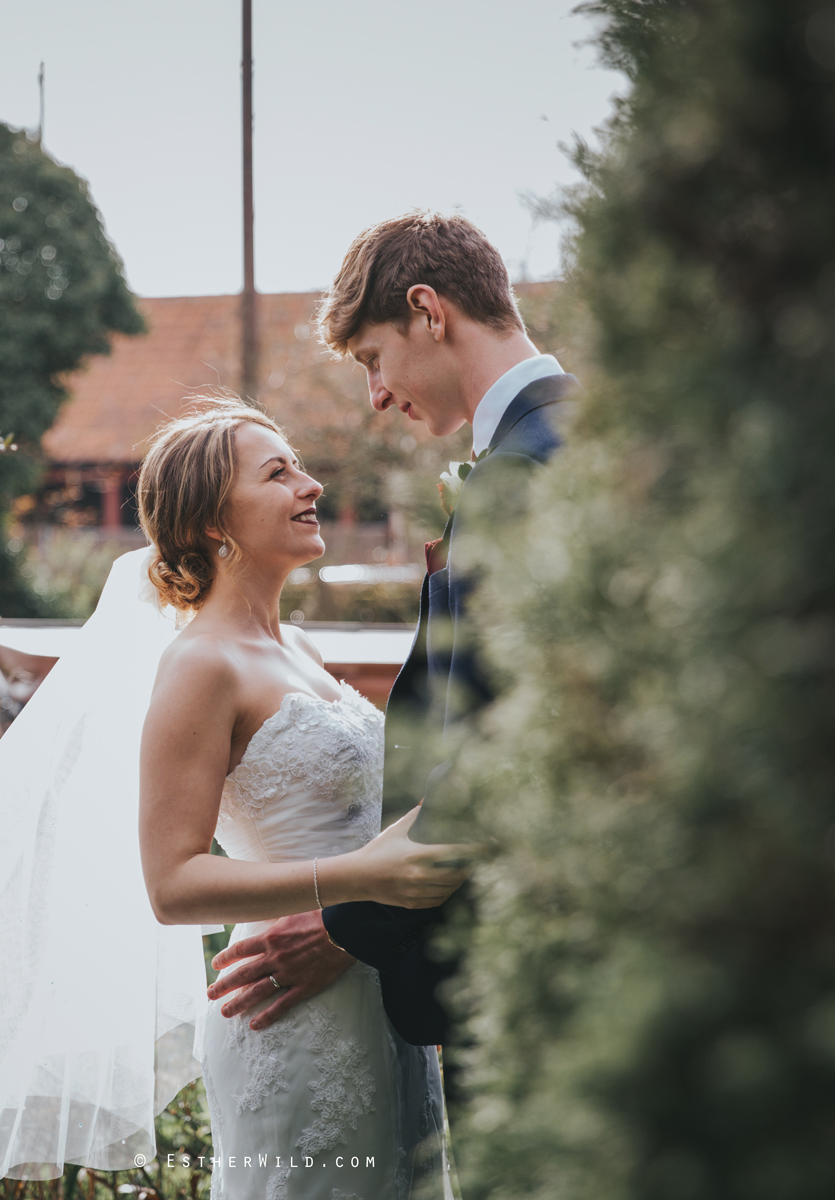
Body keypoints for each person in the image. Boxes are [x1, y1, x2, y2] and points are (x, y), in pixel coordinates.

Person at [205, 211, 580, 1089]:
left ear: (428, 310)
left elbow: (497, 746)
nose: (375, 395)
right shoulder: (580, 435)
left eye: (374, 358)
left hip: (529, 959)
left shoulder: (521, 474)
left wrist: (348, 927)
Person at [136, 400, 474, 1200]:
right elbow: (172, 884)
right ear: (214, 519)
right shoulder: (200, 667)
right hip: (289, 1008)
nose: (312, 485)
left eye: (301, 466)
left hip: (376, 983)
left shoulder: (303, 650)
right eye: (278, 472)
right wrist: (356, 887)